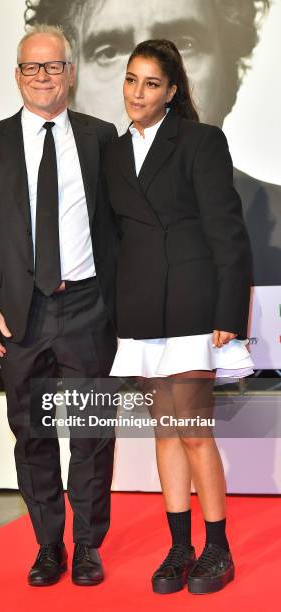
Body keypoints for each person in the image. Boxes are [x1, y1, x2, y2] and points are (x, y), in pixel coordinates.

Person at [0, 25, 118, 586]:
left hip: (89, 305)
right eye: (31, 67)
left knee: (93, 432)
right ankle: (49, 545)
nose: (42, 77)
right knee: (32, 432)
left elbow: (121, 227)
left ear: (69, 73)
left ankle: (89, 545)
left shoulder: (101, 137)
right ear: (17, 74)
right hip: (19, 313)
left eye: (52, 67)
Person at [102, 39, 254, 594]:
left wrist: (228, 310)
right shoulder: (113, 154)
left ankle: (218, 550)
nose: (137, 93)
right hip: (141, 310)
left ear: (171, 92)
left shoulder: (200, 141)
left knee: (192, 430)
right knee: (164, 434)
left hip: (193, 306)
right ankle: (179, 549)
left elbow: (228, 232)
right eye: (130, 80)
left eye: (150, 83)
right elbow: (116, 241)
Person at [25, 0, 280, 286]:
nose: (142, 85)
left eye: (184, 42)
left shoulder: (273, 218)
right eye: (109, 51)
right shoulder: (29, 228)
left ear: (229, 76)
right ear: (71, 86)